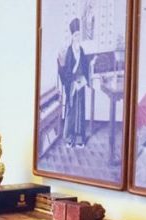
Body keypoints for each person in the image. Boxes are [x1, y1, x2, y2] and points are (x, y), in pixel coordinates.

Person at [58, 17, 89, 149]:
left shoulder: (81, 50)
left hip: (80, 85)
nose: (77, 38)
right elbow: (66, 72)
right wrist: (72, 83)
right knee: (71, 112)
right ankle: (69, 139)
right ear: (72, 36)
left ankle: (80, 139)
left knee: (80, 111)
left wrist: (85, 77)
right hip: (72, 86)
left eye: (79, 35)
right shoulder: (69, 51)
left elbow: (85, 66)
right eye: (75, 35)